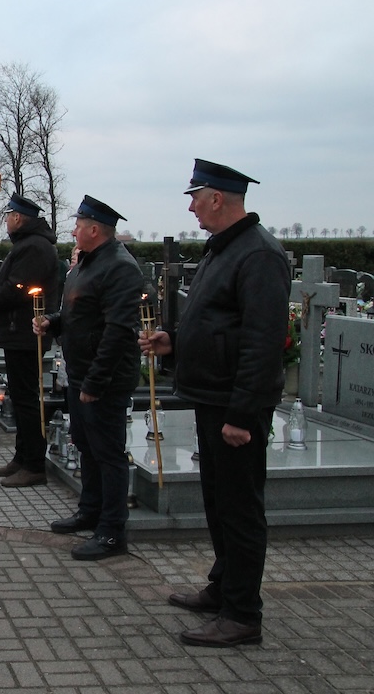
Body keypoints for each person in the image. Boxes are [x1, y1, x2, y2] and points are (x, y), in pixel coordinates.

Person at [141, 159, 289, 648]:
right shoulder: (223, 249)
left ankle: (243, 614)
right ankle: (223, 588)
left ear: (217, 199)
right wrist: (174, 342)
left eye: (195, 198)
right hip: (213, 397)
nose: (191, 208)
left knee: (240, 509)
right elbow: (215, 321)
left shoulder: (259, 254)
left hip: (234, 404)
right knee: (219, 503)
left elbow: (262, 341)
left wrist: (242, 415)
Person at [35, 196, 143, 561]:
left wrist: (96, 382)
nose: (73, 231)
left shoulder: (120, 268)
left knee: (108, 453)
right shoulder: (85, 264)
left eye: (78, 225)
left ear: (95, 230)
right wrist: (53, 322)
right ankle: (90, 510)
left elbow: (117, 331)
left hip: (104, 379)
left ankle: (112, 531)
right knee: (85, 444)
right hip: (79, 372)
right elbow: (78, 314)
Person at [0, 193, 60, 488]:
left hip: (25, 332)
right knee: (20, 397)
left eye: (8, 216)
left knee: (26, 400)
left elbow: (17, 288)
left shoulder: (35, 247)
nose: (6, 221)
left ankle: (34, 464)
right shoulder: (28, 244)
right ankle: (22, 457)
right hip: (17, 331)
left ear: (17, 218)